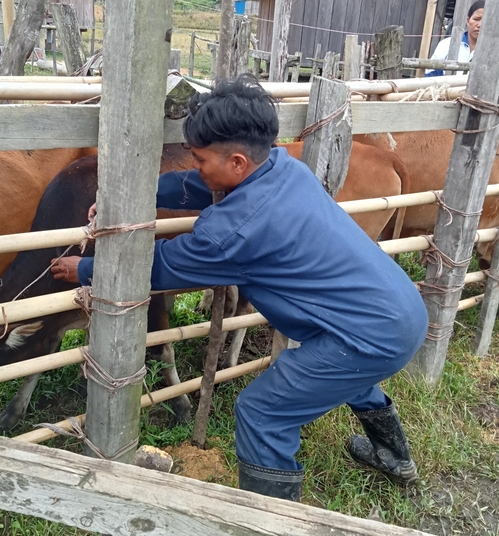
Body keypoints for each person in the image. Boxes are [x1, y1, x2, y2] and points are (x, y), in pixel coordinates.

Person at [51, 74, 428, 501]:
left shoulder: (232, 233)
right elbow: (199, 185)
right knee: (345, 373)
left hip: (371, 335)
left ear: (236, 163)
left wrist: (85, 269)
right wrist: (133, 196)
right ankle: (395, 457)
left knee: (262, 412)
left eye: (198, 158)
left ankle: (269, 518)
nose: (194, 167)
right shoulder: (285, 168)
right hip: (399, 309)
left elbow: (156, 268)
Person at [426, 0, 484, 77]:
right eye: (476, 19)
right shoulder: (446, 44)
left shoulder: (493, 51)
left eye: (485, 20)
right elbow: (431, 74)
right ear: (468, 21)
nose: (479, 25)